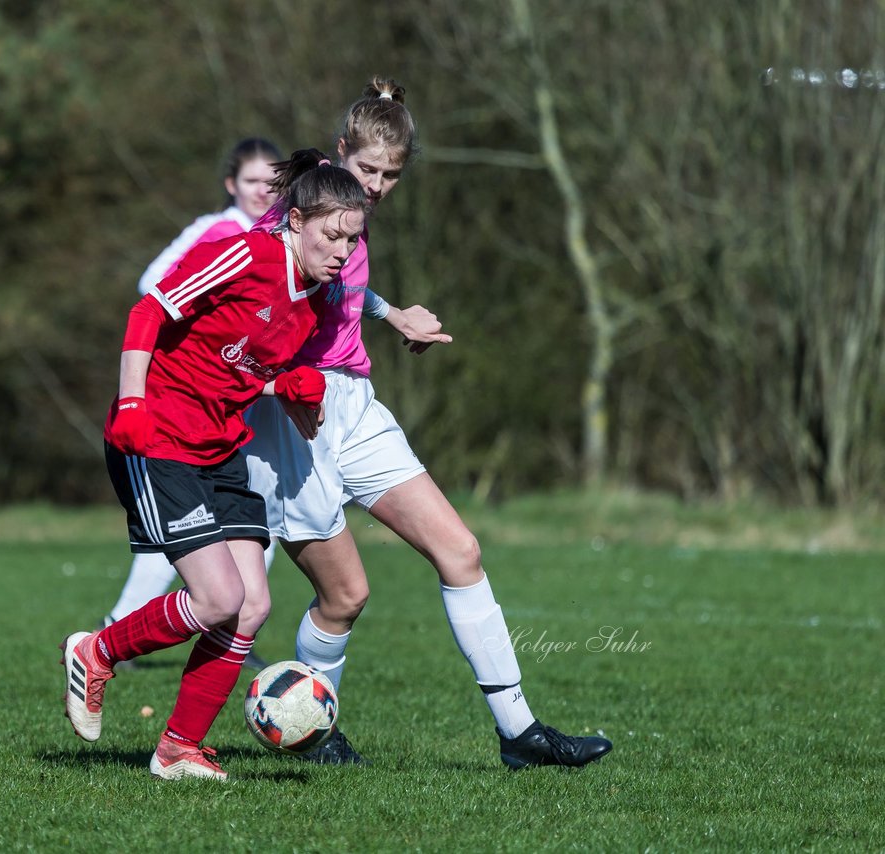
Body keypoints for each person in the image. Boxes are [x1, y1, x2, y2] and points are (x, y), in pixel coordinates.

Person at [245, 79, 613, 769]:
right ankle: (312, 731)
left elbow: (349, 280)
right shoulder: (285, 232)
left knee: (461, 551)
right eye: (367, 171)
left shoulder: (348, 219)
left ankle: (519, 734)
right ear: (339, 153)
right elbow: (251, 317)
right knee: (345, 596)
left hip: (357, 405)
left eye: (392, 175)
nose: (379, 187)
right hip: (297, 419)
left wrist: (391, 315)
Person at [61, 150, 371, 781]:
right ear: (295, 221)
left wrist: (285, 385)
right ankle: (98, 650)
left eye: (352, 239)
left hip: (220, 446)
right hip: (158, 438)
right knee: (218, 597)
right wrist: (130, 401)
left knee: (251, 607)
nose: (341, 251)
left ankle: (177, 749)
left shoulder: (313, 301)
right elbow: (149, 311)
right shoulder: (247, 255)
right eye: (331, 235)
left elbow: (235, 369)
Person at [102, 140, 282, 674]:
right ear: (231, 184)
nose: (261, 192)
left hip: (242, 406)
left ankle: (234, 629)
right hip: (182, 402)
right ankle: (120, 627)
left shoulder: (276, 240)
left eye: (272, 185)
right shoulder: (220, 232)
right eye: (252, 181)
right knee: (185, 532)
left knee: (255, 525)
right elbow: (152, 288)